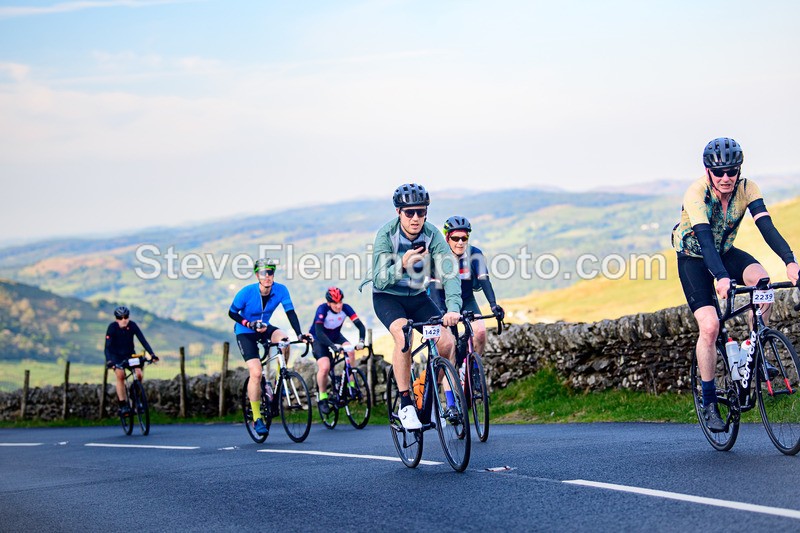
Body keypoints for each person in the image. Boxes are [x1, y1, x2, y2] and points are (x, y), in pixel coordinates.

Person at [672, 137, 799, 432]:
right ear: (708, 172)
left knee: (763, 281)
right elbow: (704, 238)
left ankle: (752, 351)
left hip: (725, 253)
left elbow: (766, 226)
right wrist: (720, 277)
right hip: (694, 257)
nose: (726, 178)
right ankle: (708, 400)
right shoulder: (696, 193)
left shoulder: (747, 188)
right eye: (720, 173)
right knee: (710, 326)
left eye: (732, 171)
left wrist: (791, 262)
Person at [363, 183, 462, 430]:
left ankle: (427, 390)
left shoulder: (433, 234)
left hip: (418, 297)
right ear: (399, 213)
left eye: (420, 212)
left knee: (447, 343)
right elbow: (379, 278)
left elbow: (449, 273)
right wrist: (403, 265)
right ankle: (405, 403)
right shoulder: (386, 235)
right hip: (388, 297)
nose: (416, 218)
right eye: (409, 213)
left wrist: (453, 308)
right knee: (403, 335)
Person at [229, 258, 312, 436]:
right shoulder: (246, 292)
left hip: (264, 328)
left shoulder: (281, 289)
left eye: (270, 272)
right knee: (256, 373)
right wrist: (248, 324)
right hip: (245, 332)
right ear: (257, 275)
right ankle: (257, 418)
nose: (267, 276)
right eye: (263, 273)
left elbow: (290, 311)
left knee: (285, 339)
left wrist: (300, 334)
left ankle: (281, 375)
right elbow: (232, 312)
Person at [431, 215, 505, 358]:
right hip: (441, 300)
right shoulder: (438, 256)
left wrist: (493, 305)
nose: (460, 242)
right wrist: (441, 312)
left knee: (481, 333)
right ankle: (450, 376)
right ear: (447, 239)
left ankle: (472, 369)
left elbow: (484, 280)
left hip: (466, 298)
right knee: (449, 345)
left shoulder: (474, 253)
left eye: (464, 238)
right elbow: (433, 286)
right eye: (455, 238)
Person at [308, 287, 367, 414]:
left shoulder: (346, 308)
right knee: (325, 367)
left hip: (335, 336)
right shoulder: (322, 309)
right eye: (335, 303)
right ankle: (322, 397)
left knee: (350, 350)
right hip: (319, 339)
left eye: (340, 302)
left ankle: (349, 385)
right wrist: (332, 346)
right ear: (329, 303)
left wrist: (361, 341)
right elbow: (319, 331)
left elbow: (360, 326)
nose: (339, 306)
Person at [104, 306, 159, 416]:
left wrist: (152, 354)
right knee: (120, 375)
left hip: (129, 355)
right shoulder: (112, 328)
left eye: (126, 317)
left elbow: (143, 340)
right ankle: (123, 405)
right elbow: (107, 347)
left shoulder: (132, 325)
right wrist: (109, 361)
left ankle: (135, 395)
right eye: (120, 317)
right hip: (116, 357)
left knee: (139, 374)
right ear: (116, 318)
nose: (124, 320)